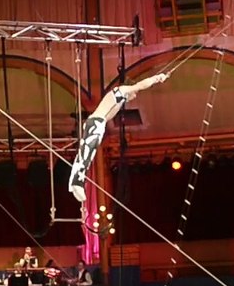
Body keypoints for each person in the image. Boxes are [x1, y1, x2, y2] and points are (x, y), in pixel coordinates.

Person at [68, 73, 168, 203]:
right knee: (87, 151)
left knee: (89, 152)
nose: (135, 95)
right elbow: (141, 85)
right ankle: (76, 181)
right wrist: (157, 78)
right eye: (135, 92)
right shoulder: (121, 90)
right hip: (96, 121)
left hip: (98, 123)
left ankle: (77, 181)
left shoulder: (120, 99)